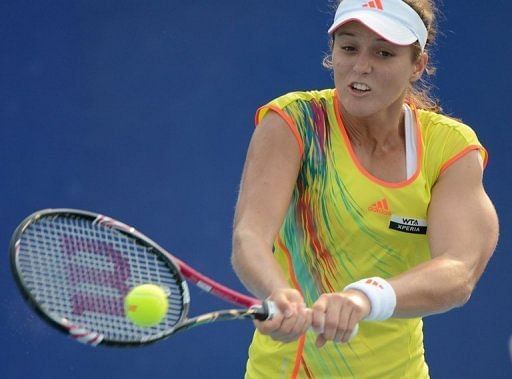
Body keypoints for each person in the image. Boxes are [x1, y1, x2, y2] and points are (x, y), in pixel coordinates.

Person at [231, 0, 499, 377]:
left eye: (384, 53)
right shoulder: (295, 123)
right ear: (333, 52)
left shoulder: (449, 147)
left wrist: (365, 297)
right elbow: (250, 236)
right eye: (349, 47)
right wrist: (278, 292)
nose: (361, 66)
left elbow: (459, 270)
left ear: (417, 65)